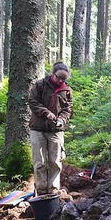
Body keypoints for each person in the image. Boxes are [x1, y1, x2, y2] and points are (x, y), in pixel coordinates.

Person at [28, 62, 73, 196]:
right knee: (39, 162)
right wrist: (46, 113)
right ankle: (41, 191)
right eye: (58, 77)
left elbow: (68, 109)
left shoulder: (67, 91)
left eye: (63, 79)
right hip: (38, 128)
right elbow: (32, 101)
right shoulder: (40, 85)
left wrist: (62, 119)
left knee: (55, 162)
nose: (60, 81)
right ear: (53, 74)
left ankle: (53, 191)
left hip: (56, 131)